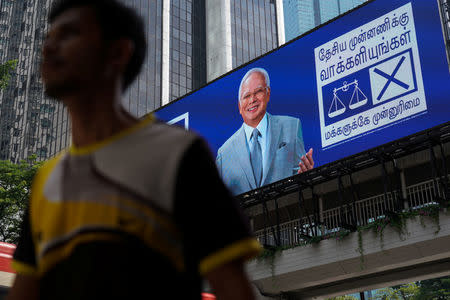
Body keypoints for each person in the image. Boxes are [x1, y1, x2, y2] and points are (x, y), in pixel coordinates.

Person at [7, 1, 262, 299]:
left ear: (117, 53)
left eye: (69, 35)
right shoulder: (45, 180)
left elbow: (232, 288)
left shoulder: (178, 154)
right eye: (48, 39)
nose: (48, 48)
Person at [216, 68, 315, 196]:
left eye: (258, 92)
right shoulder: (225, 154)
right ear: (240, 107)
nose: (252, 99)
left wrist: (305, 176)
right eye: (246, 96)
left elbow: (300, 176)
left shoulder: (291, 127)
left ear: (268, 94)